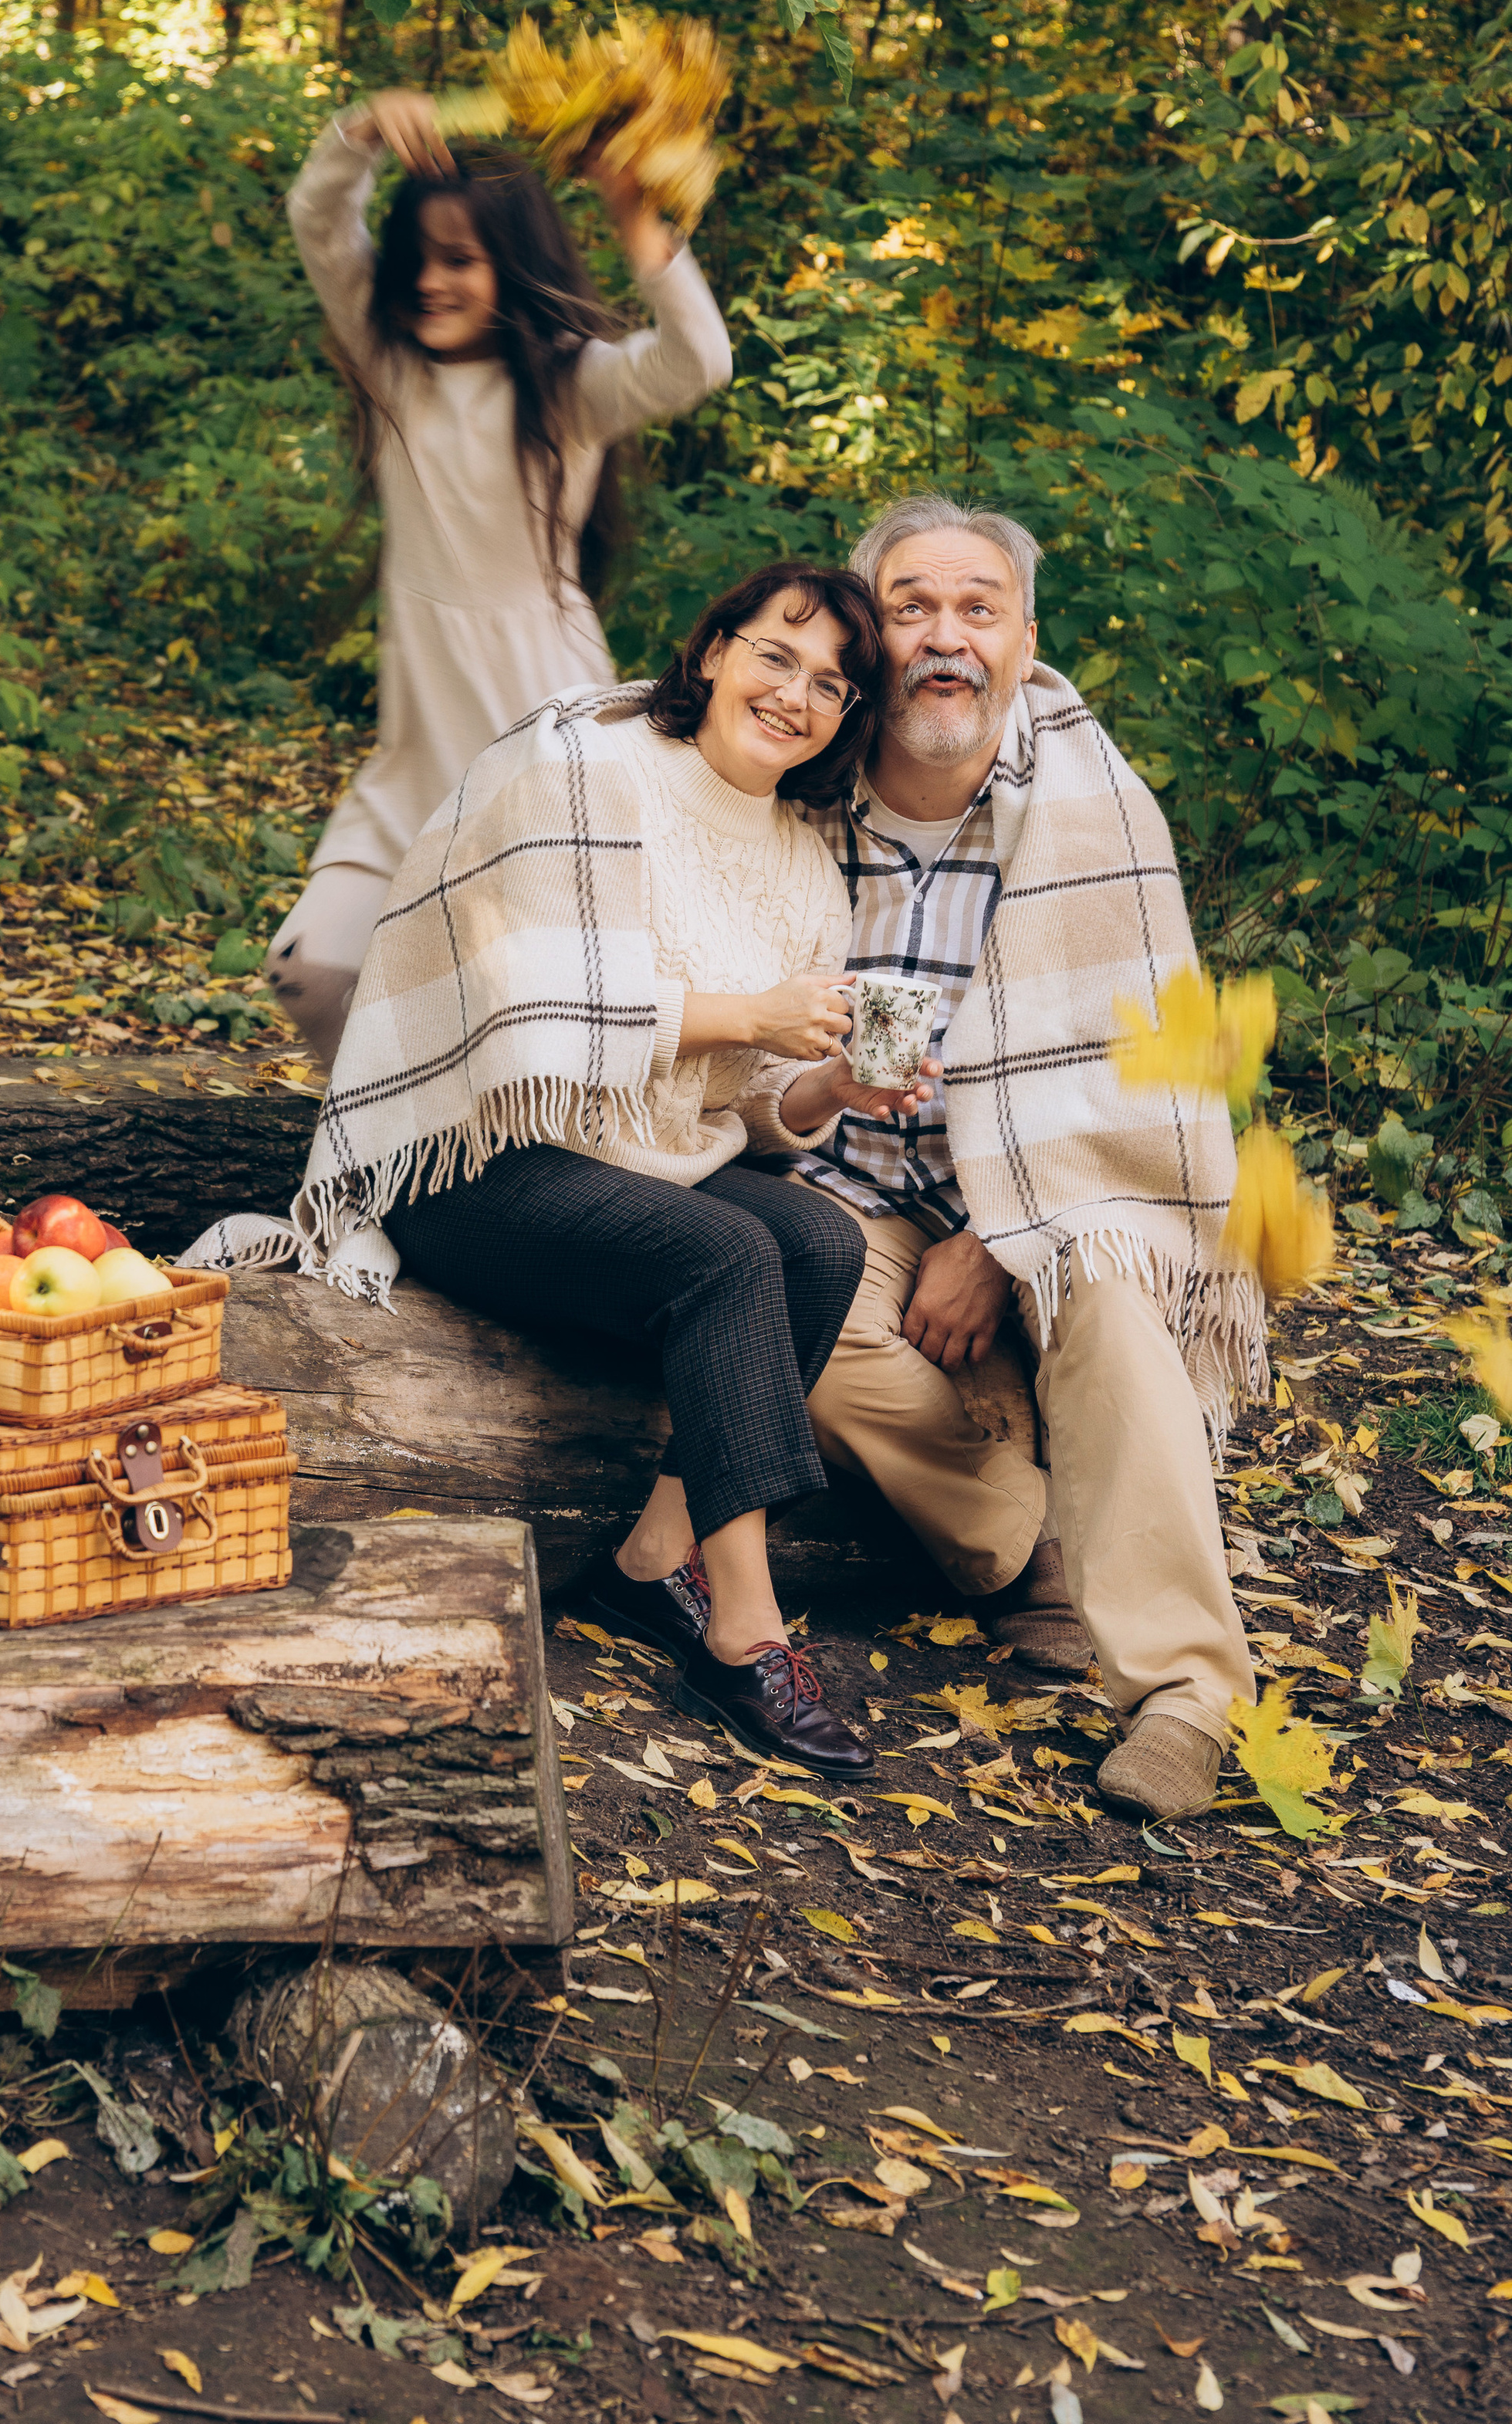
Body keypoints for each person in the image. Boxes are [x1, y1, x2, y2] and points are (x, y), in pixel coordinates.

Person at [279, 562, 939, 1777]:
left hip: (640, 1161)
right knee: (733, 1253)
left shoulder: (803, 861)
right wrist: (752, 1007)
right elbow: (530, 1004)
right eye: (776, 655)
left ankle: (648, 1561)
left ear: (847, 723)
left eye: (833, 686)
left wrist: (834, 1085)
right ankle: (745, 1629)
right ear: (714, 651)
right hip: (475, 1155)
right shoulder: (590, 769)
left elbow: (752, 1102)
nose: (796, 695)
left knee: (824, 1243)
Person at [757, 494, 1262, 1822]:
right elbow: (740, 1061)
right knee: (792, 1316)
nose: (946, 638)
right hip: (853, 1190)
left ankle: (1184, 1695)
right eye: (911, 607)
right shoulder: (795, 800)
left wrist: (1001, 1241)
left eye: (978, 609)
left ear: (1024, 639)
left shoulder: (1093, 809)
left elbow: (1137, 1080)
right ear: (869, 637)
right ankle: (1025, 1539)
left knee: (1108, 1299)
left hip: (1041, 1200)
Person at [265, 90, 733, 1066]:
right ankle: (397, 1144)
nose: (432, 281)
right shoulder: (391, 365)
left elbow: (698, 359)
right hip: (417, 756)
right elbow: (318, 216)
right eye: (419, 259)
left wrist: (637, 222)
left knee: (525, 1007)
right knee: (313, 967)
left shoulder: (569, 388)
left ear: (509, 267)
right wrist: (358, 131)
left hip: (543, 744)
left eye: (461, 260)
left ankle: (496, 1185)